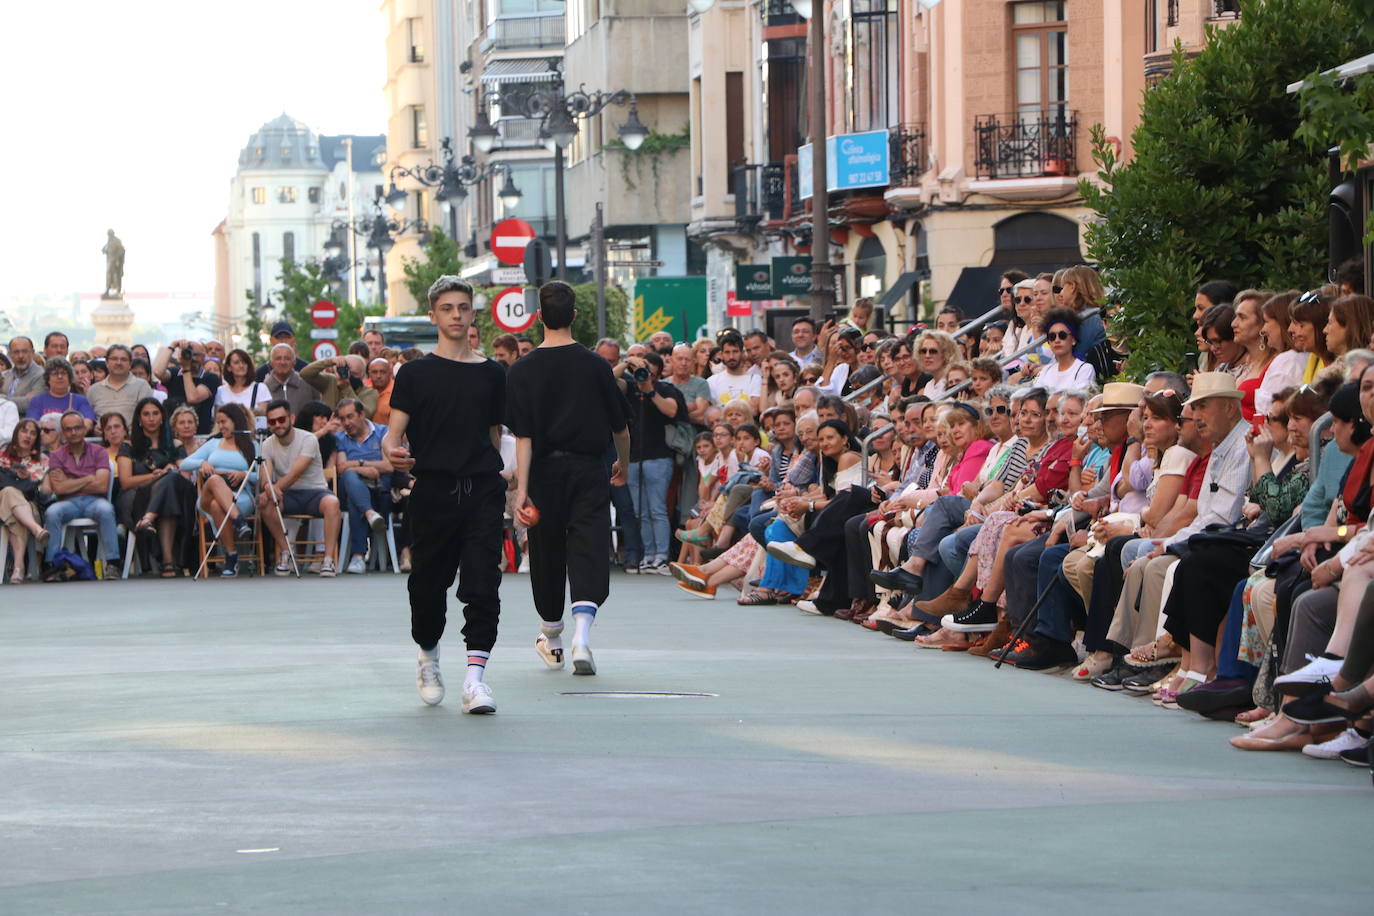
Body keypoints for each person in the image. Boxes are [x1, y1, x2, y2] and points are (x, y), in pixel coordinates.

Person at [381, 276, 506, 714]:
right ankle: (428, 655)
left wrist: (511, 486)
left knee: (482, 583)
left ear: (473, 314)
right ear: (434, 315)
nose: (456, 315)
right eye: (448, 308)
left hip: (484, 490)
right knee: (428, 588)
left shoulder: (493, 373)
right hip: (432, 491)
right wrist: (393, 454)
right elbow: (392, 436)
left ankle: (476, 679)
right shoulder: (414, 374)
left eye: (463, 307)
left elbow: (494, 435)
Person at [508, 280, 631, 680]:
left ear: (539, 316)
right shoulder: (596, 364)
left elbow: (523, 437)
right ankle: (582, 634)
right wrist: (623, 465)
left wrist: (522, 489)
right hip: (588, 467)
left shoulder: (522, 370)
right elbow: (621, 428)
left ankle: (553, 634)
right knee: (589, 544)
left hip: (543, 470)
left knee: (545, 551)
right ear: (575, 315)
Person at [258, 399, 342, 578]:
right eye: (272, 422)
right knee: (264, 503)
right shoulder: (267, 444)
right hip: (288, 495)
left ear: (292, 418)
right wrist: (267, 487)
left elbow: (296, 473)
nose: (277, 425)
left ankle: (327, 559)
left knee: (333, 503)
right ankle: (286, 551)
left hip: (315, 492)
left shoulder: (308, 439)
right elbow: (265, 473)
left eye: (281, 420)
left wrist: (272, 489)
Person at [619, 351, 687, 574]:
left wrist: (650, 390)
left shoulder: (666, 389)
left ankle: (662, 555)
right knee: (641, 512)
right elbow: (607, 380)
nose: (643, 375)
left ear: (658, 373)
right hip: (633, 459)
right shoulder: (629, 388)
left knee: (657, 509)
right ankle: (648, 555)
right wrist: (627, 362)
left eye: (649, 372)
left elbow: (672, 410)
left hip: (659, 458)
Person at [182, 403, 258, 577]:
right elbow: (185, 464)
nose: (221, 426)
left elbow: (262, 475)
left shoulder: (252, 445)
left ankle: (231, 557)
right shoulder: (214, 443)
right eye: (218, 422)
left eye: (224, 422)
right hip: (210, 492)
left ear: (235, 421)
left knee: (218, 506)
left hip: (240, 494)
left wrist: (244, 474)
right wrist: (203, 463)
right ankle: (239, 522)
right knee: (215, 480)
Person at [43, 410, 120, 580]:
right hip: (68, 502)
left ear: (84, 429)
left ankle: (113, 563)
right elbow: (59, 489)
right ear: (63, 432)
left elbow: (101, 485)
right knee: (52, 512)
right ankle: (52, 566)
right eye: (68, 429)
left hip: (95, 501)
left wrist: (70, 481)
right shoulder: (56, 455)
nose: (73, 432)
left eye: (77, 428)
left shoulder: (99, 451)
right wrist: (88, 478)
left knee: (106, 510)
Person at [121, 397, 190, 578]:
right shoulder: (128, 445)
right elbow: (126, 481)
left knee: (170, 481)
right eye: (146, 414)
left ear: (162, 417)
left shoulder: (175, 444)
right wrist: (153, 477)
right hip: (139, 498)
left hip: (177, 498)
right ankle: (168, 561)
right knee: (167, 487)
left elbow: (186, 475)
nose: (151, 418)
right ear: (139, 419)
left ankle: (149, 519)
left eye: (155, 413)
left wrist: (172, 469)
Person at [334, 397, 393, 575]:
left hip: (379, 489)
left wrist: (358, 464)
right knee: (350, 477)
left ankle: (358, 556)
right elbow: (341, 467)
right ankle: (370, 514)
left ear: (361, 414)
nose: (346, 422)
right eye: (342, 419)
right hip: (352, 486)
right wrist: (367, 467)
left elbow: (389, 466)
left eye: (350, 417)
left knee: (355, 497)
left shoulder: (383, 432)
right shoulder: (340, 438)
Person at [0, 418, 50, 583]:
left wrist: (30, 476)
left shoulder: (42, 460)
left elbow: (45, 493)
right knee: (8, 491)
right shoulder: (2, 453)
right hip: (1, 501)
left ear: (36, 439)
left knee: (13, 508)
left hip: (29, 506)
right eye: (24, 431)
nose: (28, 436)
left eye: (33, 433)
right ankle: (36, 530)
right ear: (16, 433)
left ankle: (18, 565)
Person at [153, 339, 220, 434]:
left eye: (197, 355)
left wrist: (186, 368)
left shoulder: (210, 377)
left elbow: (192, 397)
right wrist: (172, 346)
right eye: (190, 354)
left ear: (204, 356)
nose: (193, 359)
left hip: (200, 435)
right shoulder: (174, 373)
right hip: (174, 435)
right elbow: (158, 372)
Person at [85, 344, 154, 427]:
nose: (118, 363)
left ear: (130, 363)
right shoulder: (93, 390)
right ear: (107, 363)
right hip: (102, 438)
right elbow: (89, 419)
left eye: (123, 359)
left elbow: (147, 417)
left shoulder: (142, 386)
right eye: (114, 359)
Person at [26, 357, 96, 428]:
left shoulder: (80, 400)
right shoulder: (37, 401)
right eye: (55, 373)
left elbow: (88, 422)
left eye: (63, 373)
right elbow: (32, 424)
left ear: (70, 378)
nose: (59, 376)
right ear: (48, 379)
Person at [302, 354, 379, 417]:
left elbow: (366, 414)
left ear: (363, 375)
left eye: (354, 374)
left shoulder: (370, 392)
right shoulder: (330, 381)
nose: (348, 376)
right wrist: (330, 361)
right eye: (346, 371)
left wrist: (346, 388)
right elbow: (305, 374)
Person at [214, 349, 272, 428]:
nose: (241, 365)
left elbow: (262, 416)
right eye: (236, 362)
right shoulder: (221, 391)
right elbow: (218, 419)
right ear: (228, 367)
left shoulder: (260, 388)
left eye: (244, 362)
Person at [707, 332, 761, 410]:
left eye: (735, 352)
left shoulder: (755, 379)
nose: (731, 356)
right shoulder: (712, 381)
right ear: (722, 355)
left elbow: (754, 410)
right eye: (727, 352)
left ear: (742, 353)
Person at [261, 343, 314, 417]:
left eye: (287, 358)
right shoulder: (263, 389)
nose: (282, 362)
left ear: (294, 362)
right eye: (278, 358)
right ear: (271, 363)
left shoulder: (307, 385)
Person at [4, 336, 44, 416]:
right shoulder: (4, 375)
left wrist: (3, 399)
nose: (20, 356)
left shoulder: (42, 376)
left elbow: (31, 403)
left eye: (25, 351)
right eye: (16, 352)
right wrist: (21, 399)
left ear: (32, 353)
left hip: (26, 425)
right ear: (9, 354)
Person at [367, 358, 395, 425]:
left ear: (390, 373)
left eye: (382, 372)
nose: (378, 376)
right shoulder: (365, 390)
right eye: (374, 372)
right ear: (369, 374)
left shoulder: (398, 391)